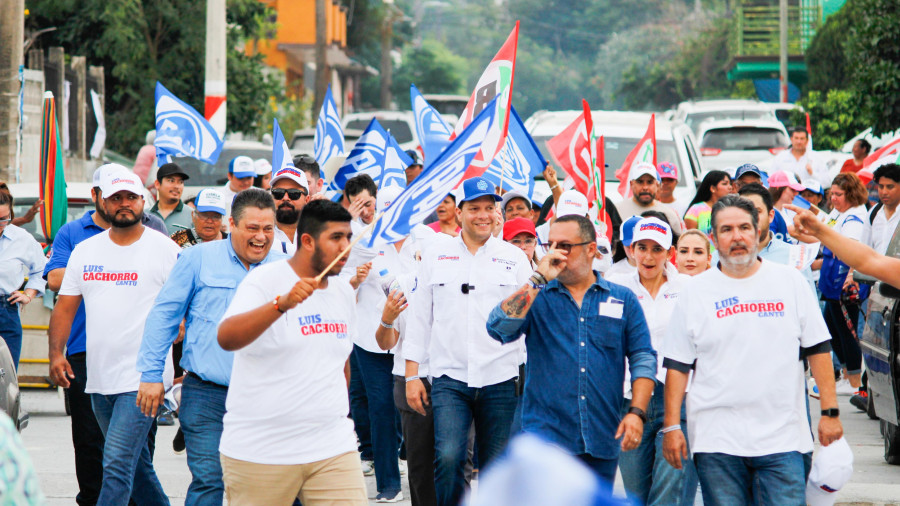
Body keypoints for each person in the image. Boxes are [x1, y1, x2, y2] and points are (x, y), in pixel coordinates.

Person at [661, 195, 843, 505]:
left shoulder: (790, 282)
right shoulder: (695, 293)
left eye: (744, 227)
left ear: (757, 231)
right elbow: (678, 364)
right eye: (727, 229)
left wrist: (830, 412)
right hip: (717, 442)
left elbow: (818, 348)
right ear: (714, 238)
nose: (737, 237)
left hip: (783, 440)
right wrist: (672, 426)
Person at [485, 214, 656, 489]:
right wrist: (537, 278)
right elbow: (497, 328)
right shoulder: (537, 295)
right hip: (546, 442)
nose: (555, 253)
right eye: (550, 245)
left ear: (591, 249)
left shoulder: (622, 298)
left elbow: (643, 356)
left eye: (565, 246)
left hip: (601, 438)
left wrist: (637, 412)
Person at [136, 189, 284, 506]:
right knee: (209, 480)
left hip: (268, 396)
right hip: (207, 395)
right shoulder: (197, 259)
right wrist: (151, 375)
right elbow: (164, 316)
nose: (261, 237)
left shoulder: (286, 268)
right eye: (253, 228)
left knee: (274, 486)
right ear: (232, 224)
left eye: (268, 229)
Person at [216, 200, 367, 505]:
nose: (346, 247)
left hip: (332, 447)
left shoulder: (343, 291)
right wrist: (280, 305)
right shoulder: (264, 280)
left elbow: (341, 362)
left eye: (349, 237)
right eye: (336, 237)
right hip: (261, 451)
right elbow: (226, 337)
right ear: (308, 241)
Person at [49, 171, 179, 505]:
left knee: (117, 464)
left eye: (131, 197)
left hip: (144, 379)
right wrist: (56, 354)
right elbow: (64, 308)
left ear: (143, 200)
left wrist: (182, 332)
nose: (124, 204)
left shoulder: (165, 249)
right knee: (138, 469)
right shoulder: (85, 251)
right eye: (116, 198)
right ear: (101, 200)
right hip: (99, 378)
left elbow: (185, 305)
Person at [405, 177, 532, 506]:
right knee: (448, 458)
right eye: (474, 208)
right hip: (450, 378)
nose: (483, 215)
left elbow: (532, 316)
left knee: (496, 469)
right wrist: (411, 375)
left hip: (501, 378)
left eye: (489, 208)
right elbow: (420, 318)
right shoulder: (435, 255)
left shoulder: (514, 258)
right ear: (459, 213)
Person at [347, 185, 434, 503]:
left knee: (414, 410)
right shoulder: (362, 242)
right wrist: (355, 279)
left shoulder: (428, 239)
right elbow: (341, 283)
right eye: (387, 209)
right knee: (381, 409)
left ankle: (418, 469)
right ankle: (389, 484)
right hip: (373, 338)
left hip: (416, 341)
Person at [605, 217, 697, 505]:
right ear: (631, 249)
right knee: (637, 494)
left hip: (678, 396)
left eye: (657, 249)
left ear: (670, 253)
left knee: (669, 488)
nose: (648, 256)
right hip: (630, 399)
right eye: (642, 247)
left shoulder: (688, 287)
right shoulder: (614, 286)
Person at [375, 273, 436, 506]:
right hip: (413, 381)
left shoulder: (465, 279)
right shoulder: (406, 284)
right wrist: (387, 320)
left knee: (455, 460)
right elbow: (385, 343)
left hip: (455, 378)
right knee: (420, 465)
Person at [820, 173, 870, 398]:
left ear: (850, 194)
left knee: (845, 331)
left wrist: (850, 277)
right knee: (831, 328)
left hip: (843, 283)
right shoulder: (837, 212)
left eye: (838, 194)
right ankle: (847, 375)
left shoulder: (855, 217)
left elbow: (852, 250)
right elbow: (824, 231)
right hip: (831, 281)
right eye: (832, 194)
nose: (833, 199)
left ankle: (854, 381)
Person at [734, 183, 817, 294]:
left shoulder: (795, 257)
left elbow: (808, 302)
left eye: (757, 211)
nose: (750, 217)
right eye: (744, 211)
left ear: (771, 216)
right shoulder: (721, 258)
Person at [0, 191, 46, 369]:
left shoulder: (21, 238)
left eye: (4, 219)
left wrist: (28, 294)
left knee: (6, 374)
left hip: (5, 310)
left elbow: (41, 269)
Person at [615, 162, 684, 235]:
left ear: (657, 185)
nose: (645, 187)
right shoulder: (617, 210)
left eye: (650, 182)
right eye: (640, 182)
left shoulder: (669, 215)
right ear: (631, 184)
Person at [270, 166, 310, 255]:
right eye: (278, 193)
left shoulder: (317, 233)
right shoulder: (260, 234)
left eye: (294, 193)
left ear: (307, 200)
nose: (285, 198)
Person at [683, 170, 733, 238]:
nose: (730, 187)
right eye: (724, 184)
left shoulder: (732, 209)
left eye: (730, 184)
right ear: (713, 188)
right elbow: (690, 238)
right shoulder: (696, 210)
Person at [867, 163, 900, 256]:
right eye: (881, 187)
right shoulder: (874, 212)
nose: (884, 192)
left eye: (890, 187)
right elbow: (864, 248)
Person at [149, 163, 193, 230]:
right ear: (157, 184)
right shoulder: (145, 216)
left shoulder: (192, 216)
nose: (177, 186)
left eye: (180, 182)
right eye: (171, 181)